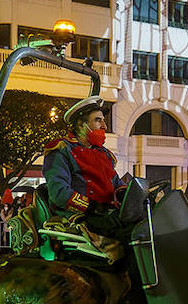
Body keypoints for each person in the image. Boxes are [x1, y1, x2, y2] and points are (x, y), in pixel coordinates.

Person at [42, 95, 128, 236]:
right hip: (79, 217)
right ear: (82, 125)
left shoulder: (104, 154)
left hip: (107, 214)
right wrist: (93, 206)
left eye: (103, 121)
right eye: (98, 120)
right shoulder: (62, 150)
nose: (104, 126)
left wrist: (126, 193)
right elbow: (59, 193)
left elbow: (117, 183)